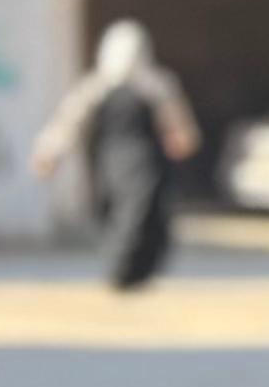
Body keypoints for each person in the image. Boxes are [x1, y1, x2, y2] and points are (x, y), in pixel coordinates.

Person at [30, 18, 200, 293]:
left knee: (145, 217)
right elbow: (69, 122)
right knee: (116, 218)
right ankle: (120, 273)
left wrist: (181, 142)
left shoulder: (155, 84)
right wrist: (48, 152)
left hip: (146, 164)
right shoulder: (98, 87)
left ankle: (136, 275)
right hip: (112, 162)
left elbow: (178, 127)